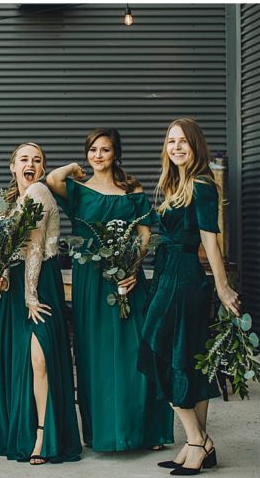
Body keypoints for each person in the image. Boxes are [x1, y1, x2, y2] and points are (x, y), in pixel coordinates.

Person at [47, 129, 174, 452]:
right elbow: (51, 180)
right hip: (90, 279)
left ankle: (145, 431)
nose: (98, 155)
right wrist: (75, 166)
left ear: (116, 154)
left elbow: (145, 235)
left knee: (135, 351)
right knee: (95, 354)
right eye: (93, 149)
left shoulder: (132, 189)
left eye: (105, 150)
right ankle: (103, 432)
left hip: (128, 277)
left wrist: (132, 268)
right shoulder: (77, 190)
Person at [138, 117, 240, 475]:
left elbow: (210, 240)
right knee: (188, 356)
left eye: (183, 141)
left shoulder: (201, 185)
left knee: (160, 351)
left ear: (196, 145)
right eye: (171, 141)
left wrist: (222, 286)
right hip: (169, 274)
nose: (177, 147)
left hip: (184, 278)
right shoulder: (174, 184)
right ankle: (200, 443)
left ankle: (196, 441)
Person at [0, 143, 82, 465]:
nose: (31, 164)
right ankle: (26, 428)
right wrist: (4, 279)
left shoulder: (39, 191)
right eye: (24, 159)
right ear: (12, 166)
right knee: (23, 361)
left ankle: (42, 434)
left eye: (37, 160)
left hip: (41, 286)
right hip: (19, 286)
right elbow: (16, 254)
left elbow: (36, 248)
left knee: (41, 358)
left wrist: (30, 295)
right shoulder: (12, 204)